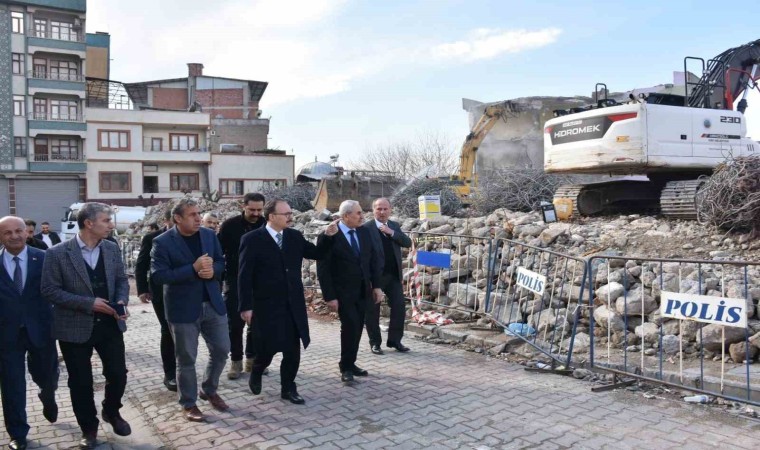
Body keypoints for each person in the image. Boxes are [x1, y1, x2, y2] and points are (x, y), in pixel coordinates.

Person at [40, 203, 131, 449]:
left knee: (118, 374)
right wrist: (88, 303)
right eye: (106, 220)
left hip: (110, 325)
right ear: (89, 223)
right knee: (80, 381)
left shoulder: (111, 249)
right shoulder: (57, 253)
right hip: (73, 328)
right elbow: (49, 290)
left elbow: (122, 279)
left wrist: (122, 300)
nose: (111, 225)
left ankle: (111, 411)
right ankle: (88, 428)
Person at [238, 199, 339, 404]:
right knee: (267, 348)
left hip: (292, 304)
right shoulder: (252, 239)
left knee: (292, 349)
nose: (290, 217)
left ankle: (288, 388)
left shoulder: (294, 236)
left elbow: (316, 253)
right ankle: (257, 371)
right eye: (286, 214)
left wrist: (327, 236)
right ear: (272, 216)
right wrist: (246, 306)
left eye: (290, 213)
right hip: (266, 305)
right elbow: (244, 275)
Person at [151, 199, 229, 422]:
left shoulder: (209, 235)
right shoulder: (162, 242)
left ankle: (209, 388)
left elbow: (221, 263)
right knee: (186, 359)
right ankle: (188, 403)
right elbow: (158, 276)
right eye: (192, 215)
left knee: (222, 350)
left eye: (199, 213)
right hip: (183, 309)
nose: (197, 218)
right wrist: (193, 270)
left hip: (212, 304)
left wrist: (211, 271)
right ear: (177, 218)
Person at [0, 216, 59, 450]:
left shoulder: (44, 259)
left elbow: (57, 290)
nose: (14, 236)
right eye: (7, 232)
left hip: (42, 330)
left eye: (18, 231)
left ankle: (48, 394)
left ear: (27, 233)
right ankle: (17, 433)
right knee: (12, 383)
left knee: (47, 375)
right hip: (6, 334)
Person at [317, 200, 383, 383]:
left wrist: (376, 286)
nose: (363, 217)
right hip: (342, 293)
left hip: (363, 291)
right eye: (358, 213)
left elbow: (372, 261)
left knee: (357, 326)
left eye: (362, 213)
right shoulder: (330, 235)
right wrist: (329, 296)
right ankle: (345, 367)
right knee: (350, 326)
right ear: (345, 216)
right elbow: (323, 269)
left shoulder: (364, 232)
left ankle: (351, 362)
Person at [217, 192, 266, 379]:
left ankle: (252, 360)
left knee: (257, 323)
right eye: (251, 209)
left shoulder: (266, 224)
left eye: (259, 210)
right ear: (243, 206)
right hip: (235, 280)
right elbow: (218, 252)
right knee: (235, 324)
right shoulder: (230, 226)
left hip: (260, 282)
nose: (255, 213)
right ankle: (236, 361)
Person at [363, 198, 412, 354]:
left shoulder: (394, 226)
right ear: (373, 210)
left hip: (393, 275)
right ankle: (375, 343)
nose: (382, 212)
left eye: (385, 209)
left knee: (399, 307)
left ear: (390, 210)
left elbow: (407, 242)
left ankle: (395, 341)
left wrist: (392, 233)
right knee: (372, 311)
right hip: (375, 277)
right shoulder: (366, 228)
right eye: (379, 209)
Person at [134, 210, 176, 392]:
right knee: (167, 330)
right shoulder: (152, 238)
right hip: (160, 291)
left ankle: (183, 369)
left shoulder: (193, 236)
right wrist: (142, 289)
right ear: (167, 221)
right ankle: (170, 374)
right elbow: (141, 264)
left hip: (184, 292)